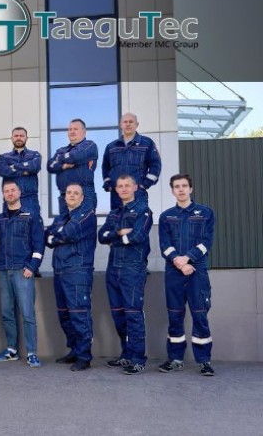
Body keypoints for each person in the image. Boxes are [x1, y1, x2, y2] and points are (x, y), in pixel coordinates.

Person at [157, 174, 216, 376]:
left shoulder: (206, 213)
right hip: (174, 272)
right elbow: (165, 245)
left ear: (191, 189)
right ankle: (175, 359)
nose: (181, 189)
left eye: (184, 186)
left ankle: (204, 361)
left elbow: (206, 242)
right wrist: (179, 262)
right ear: (172, 191)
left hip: (197, 271)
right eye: (177, 186)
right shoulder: (166, 217)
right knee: (175, 315)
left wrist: (188, 259)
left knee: (200, 315)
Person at [98, 175, 153, 375]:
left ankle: (138, 359)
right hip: (113, 268)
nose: (123, 189)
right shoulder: (114, 213)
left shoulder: (143, 211)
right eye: (120, 186)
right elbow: (101, 236)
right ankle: (127, 354)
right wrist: (120, 233)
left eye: (127, 186)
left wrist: (114, 237)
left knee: (133, 314)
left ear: (135, 187)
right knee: (118, 314)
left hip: (133, 268)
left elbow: (138, 236)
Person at [0, 181, 45, 367]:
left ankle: (32, 353)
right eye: (6, 191)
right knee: (7, 313)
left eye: (13, 190)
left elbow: (39, 245)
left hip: (23, 271)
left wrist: (32, 266)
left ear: (20, 192)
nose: (10, 193)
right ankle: (11, 350)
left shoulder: (31, 217)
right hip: (3, 272)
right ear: (3, 194)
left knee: (27, 314)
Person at [45, 183, 97, 371]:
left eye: (76, 193)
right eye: (69, 193)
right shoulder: (61, 217)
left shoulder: (87, 215)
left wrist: (57, 235)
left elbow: (69, 233)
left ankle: (84, 356)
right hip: (60, 270)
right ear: (65, 196)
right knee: (64, 314)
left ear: (82, 197)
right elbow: (47, 237)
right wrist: (56, 236)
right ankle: (75, 350)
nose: (72, 195)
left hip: (77, 271)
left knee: (79, 314)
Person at [102, 113, 162, 209]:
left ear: (137, 124)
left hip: (137, 195)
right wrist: (108, 183)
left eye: (131, 122)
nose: (128, 124)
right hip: (116, 196)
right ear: (121, 125)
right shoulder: (112, 147)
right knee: (116, 219)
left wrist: (144, 184)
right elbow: (105, 166)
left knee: (138, 218)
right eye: (125, 122)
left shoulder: (147, 143)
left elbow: (155, 164)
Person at [47, 119, 98, 213]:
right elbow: (50, 166)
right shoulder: (61, 150)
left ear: (84, 131)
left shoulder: (90, 146)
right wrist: (62, 166)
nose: (72, 131)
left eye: (75, 129)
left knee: (84, 222)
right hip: (64, 196)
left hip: (84, 195)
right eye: (70, 129)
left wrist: (60, 159)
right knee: (65, 222)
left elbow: (75, 157)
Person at [0, 127, 42, 215]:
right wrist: (25, 170)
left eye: (21, 136)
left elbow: (35, 167)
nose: (19, 138)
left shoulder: (34, 154)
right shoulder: (4, 157)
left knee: (31, 223)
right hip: (11, 201)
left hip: (30, 200)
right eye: (16, 136)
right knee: (11, 224)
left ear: (26, 138)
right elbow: (2, 171)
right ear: (12, 138)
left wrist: (14, 167)